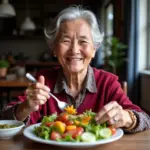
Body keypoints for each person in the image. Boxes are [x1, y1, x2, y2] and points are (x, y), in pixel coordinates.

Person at [0, 6, 150, 133]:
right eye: (66, 41)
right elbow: (4, 118)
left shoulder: (107, 82)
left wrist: (127, 118)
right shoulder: (43, 80)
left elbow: (145, 120)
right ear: (54, 48)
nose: (74, 50)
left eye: (83, 41)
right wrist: (26, 107)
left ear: (94, 49)